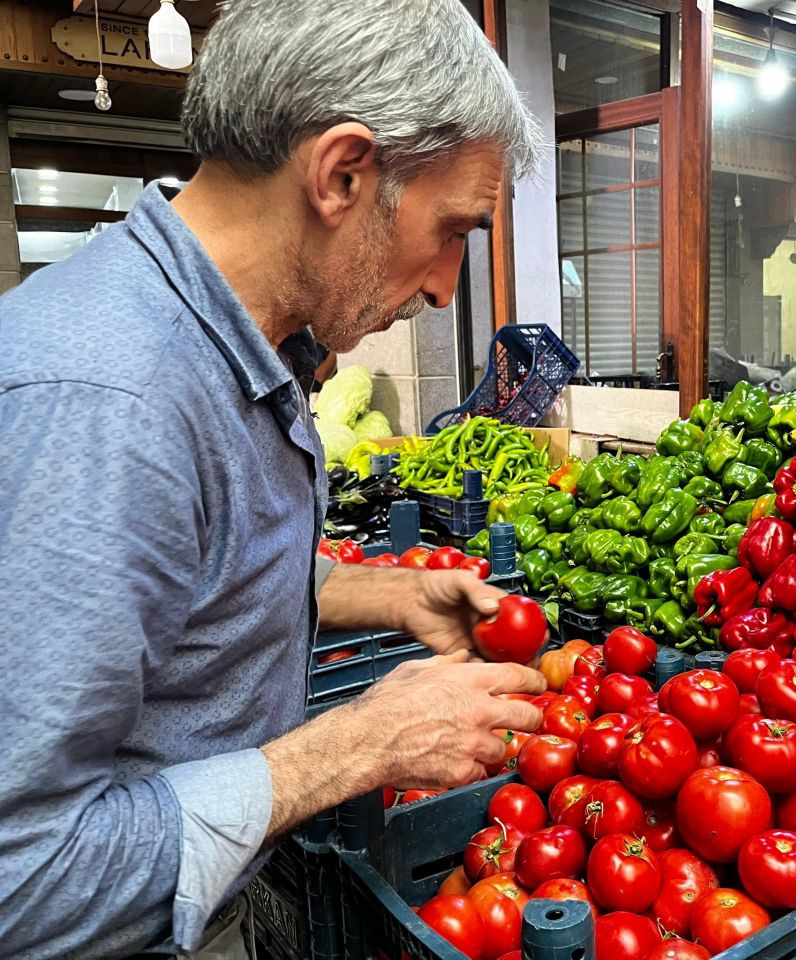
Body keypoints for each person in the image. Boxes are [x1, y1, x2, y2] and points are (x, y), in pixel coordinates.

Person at [0, 1, 548, 957]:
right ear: (342, 174)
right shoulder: (108, 406)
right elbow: (24, 877)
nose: (446, 288)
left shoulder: (236, 344)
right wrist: (357, 748)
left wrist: (392, 593)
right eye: (455, 230)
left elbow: (188, 580)